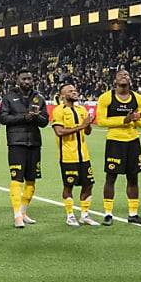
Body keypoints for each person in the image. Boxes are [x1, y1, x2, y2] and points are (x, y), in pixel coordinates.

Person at [97, 69, 141, 225]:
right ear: (115, 80)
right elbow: (101, 121)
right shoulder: (106, 97)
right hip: (115, 142)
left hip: (133, 142)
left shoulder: (138, 99)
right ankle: (108, 214)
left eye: (127, 75)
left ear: (130, 80)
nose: (124, 76)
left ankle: (133, 214)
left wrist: (134, 119)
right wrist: (124, 120)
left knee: (133, 178)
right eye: (121, 75)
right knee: (111, 177)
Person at [0, 68, 49, 229]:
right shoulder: (9, 97)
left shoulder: (39, 98)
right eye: (24, 79)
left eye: (29, 79)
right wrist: (24, 117)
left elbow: (45, 121)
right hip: (16, 143)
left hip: (34, 143)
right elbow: (3, 118)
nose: (27, 81)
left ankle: (23, 212)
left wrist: (36, 117)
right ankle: (16, 215)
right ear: (17, 79)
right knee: (17, 179)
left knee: (31, 180)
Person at [51, 83, 99, 227]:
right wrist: (82, 126)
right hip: (68, 156)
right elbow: (59, 132)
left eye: (75, 90)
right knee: (68, 185)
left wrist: (88, 123)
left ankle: (84, 215)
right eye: (70, 91)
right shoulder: (59, 110)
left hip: (84, 155)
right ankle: (70, 215)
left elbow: (87, 132)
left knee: (89, 184)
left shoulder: (82, 109)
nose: (75, 92)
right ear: (63, 95)